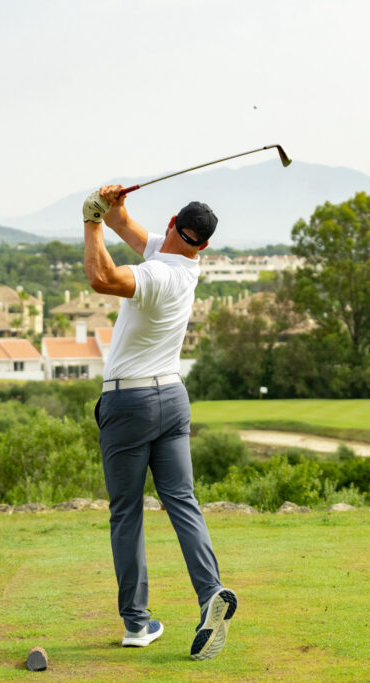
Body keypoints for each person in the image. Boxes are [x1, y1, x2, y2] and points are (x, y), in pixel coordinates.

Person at [81, 185, 237, 660]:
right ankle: (210, 591)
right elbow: (124, 226)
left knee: (126, 512)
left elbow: (102, 278)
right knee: (182, 501)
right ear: (202, 243)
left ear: (172, 222)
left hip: (129, 403)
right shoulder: (185, 264)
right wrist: (111, 205)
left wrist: (89, 221)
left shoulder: (158, 274)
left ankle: (136, 624)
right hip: (172, 397)